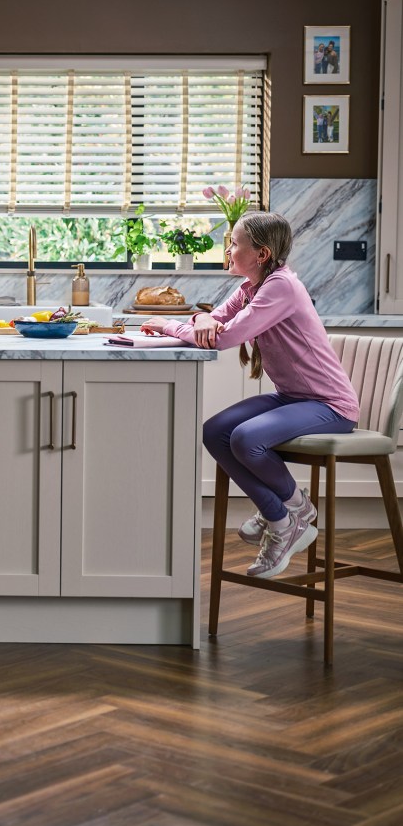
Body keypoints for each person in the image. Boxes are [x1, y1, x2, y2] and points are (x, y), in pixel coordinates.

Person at [140, 212, 359, 579]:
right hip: (293, 396)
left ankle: (287, 515)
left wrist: (170, 324)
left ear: (261, 253)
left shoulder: (281, 287)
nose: (228, 250)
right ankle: (289, 514)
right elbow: (214, 321)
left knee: (245, 438)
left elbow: (224, 337)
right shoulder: (250, 287)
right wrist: (201, 319)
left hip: (329, 405)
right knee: (215, 431)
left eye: (234, 244)